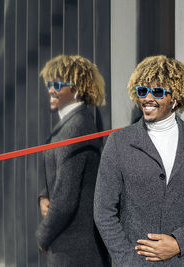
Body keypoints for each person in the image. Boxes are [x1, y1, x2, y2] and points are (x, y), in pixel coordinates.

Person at [94, 55, 184, 266]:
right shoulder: (119, 142)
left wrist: (179, 242)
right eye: (142, 91)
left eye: (156, 92)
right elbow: (103, 211)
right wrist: (128, 261)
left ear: (175, 98)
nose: (147, 98)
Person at [36, 55, 108, 266]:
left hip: (76, 252)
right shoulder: (70, 124)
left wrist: (43, 235)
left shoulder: (76, 128)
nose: (50, 89)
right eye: (49, 84)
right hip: (70, 247)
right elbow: (54, 167)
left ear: (76, 89)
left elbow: (66, 198)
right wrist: (43, 195)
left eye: (57, 84)